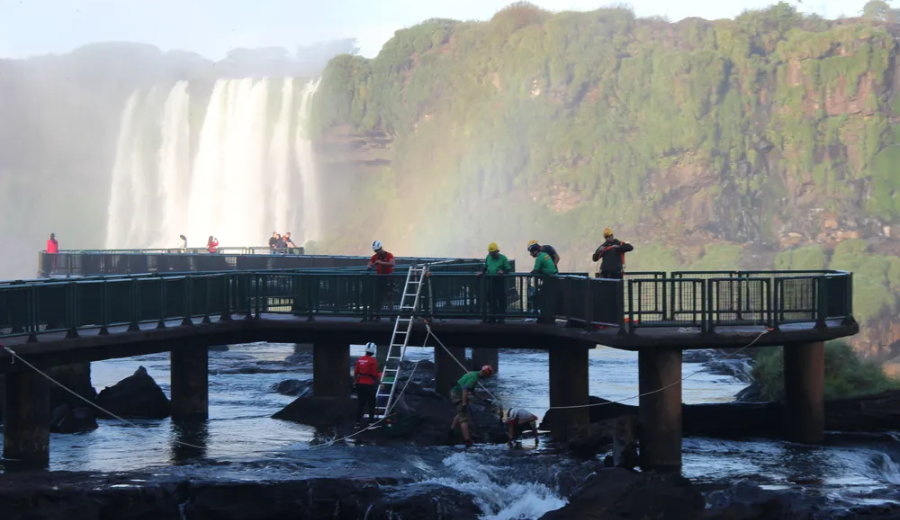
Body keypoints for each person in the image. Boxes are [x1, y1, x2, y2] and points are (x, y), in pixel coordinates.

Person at [449, 364, 494, 448]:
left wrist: (483, 400)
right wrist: (464, 404)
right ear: (484, 373)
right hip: (456, 395)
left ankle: (451, 431)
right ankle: (467, 440)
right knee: (463, 418)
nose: (487, 377)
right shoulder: (474, 378)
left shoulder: (474, 374)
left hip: (457, 393)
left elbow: (472, 391)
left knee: (460, 413)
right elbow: (465, 388)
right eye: (487, 375)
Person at [476, 242, 512, 323]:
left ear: (497, 251)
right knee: (490, 298)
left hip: (499, 281)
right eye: (491, 253)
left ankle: (501, 317)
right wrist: (482, 272)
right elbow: (485, 267)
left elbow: (508, 269)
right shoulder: (488, 257)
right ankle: (493, 316)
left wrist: (502, 271)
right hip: (491, 280)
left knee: (501, 299)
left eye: (493, 253)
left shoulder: (503, 258)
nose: (492, 255)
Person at [354, 342, 381, 428]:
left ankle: (357, 423)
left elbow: (355, 372)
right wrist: (379, 381)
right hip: (369, 384)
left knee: (361, 403)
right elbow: (374, 374)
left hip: (360, 384)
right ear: (373, 350)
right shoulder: (372, 360)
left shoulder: (360, 359)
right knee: (371, 404)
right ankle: (370, 423)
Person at [367, 240, 396, 320]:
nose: (376, 252)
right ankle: (378, 315)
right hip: (379, 278)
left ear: (381, 248)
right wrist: (370, 265)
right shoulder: (375, 257)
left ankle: (391, 316)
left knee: (389, 296)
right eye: (375, 251)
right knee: (378, 297)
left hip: (388, 278)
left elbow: (392, 263)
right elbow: (370, 263)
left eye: (377, 250)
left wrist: (381, 263)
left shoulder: (389, 255)